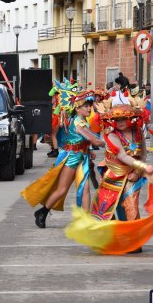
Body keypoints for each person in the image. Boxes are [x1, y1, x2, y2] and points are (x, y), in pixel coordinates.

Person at [22, 90, 105, 228]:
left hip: (82, 158)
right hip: (71, 158)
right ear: (77, 108)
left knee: (85, 189)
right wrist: (108, 142)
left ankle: (86, 220)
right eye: (86, 106)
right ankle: (42, 212)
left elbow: (85, 141)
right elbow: (94, 140)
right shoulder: (78, 122)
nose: (89, 108)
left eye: (90, 105)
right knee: (62, 190)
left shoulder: (83, 120)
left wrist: (88, 151)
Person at [90, 104, 153, 253]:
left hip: (133, 174)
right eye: (116, 119)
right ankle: (110, 239)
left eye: (123, 119)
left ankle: (134, 241)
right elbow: (122, 156)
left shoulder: (138, 132)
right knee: (107, 209)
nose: (119, 122)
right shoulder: (111, 135)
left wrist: (138, 172)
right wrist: (145, 168)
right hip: (113, 175)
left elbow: (143, 154)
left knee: (131, 205)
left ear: (130, 119)